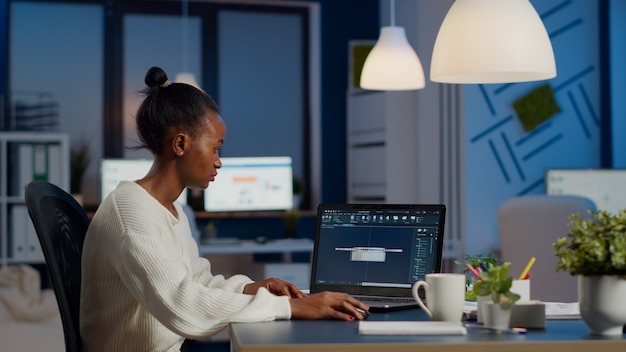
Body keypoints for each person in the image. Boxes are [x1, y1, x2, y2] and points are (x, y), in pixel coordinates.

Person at [80, 66, 369, 352]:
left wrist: (252, 288)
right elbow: (182, 306)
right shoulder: (131, 212)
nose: (219, 161)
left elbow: (196, 282)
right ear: (180, 144)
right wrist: (292, 307)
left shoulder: (169, 210)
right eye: (216, 148)